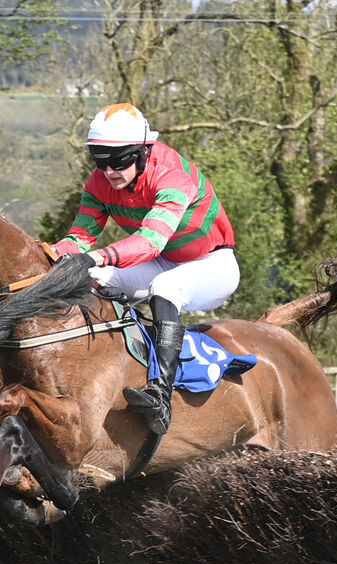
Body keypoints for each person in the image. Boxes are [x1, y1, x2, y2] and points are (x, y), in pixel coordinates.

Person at [52, 103, 240, 435]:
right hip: (164, 262)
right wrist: (44, 255)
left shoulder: (171, 176)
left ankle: (161, 397)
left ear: (143, 150)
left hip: (212, 264)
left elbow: (149, 243)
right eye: (100, 160)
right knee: (92, 280)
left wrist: (97, 256)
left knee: (165, 288)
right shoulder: (99, 183)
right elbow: (79, 238)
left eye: (120, 159)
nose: (109, 171)